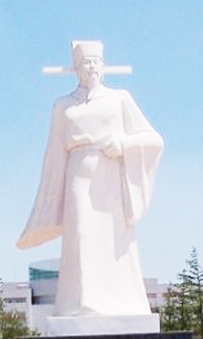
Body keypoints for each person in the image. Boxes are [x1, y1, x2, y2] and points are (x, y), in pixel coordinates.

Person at [17, 41, 164, 317]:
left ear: (104, 66)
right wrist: (49, 201)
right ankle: (81, 303)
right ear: (76, 67)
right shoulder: (63, 105)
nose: (92, 66)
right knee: (82, 235)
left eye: (96, 61)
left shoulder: (119, 98)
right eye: (86, 61)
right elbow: (54, 153)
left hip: (111, 177)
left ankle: (122, 302)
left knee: (116, 240)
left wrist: (123, 144)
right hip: (79, 176)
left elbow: (153, 139)